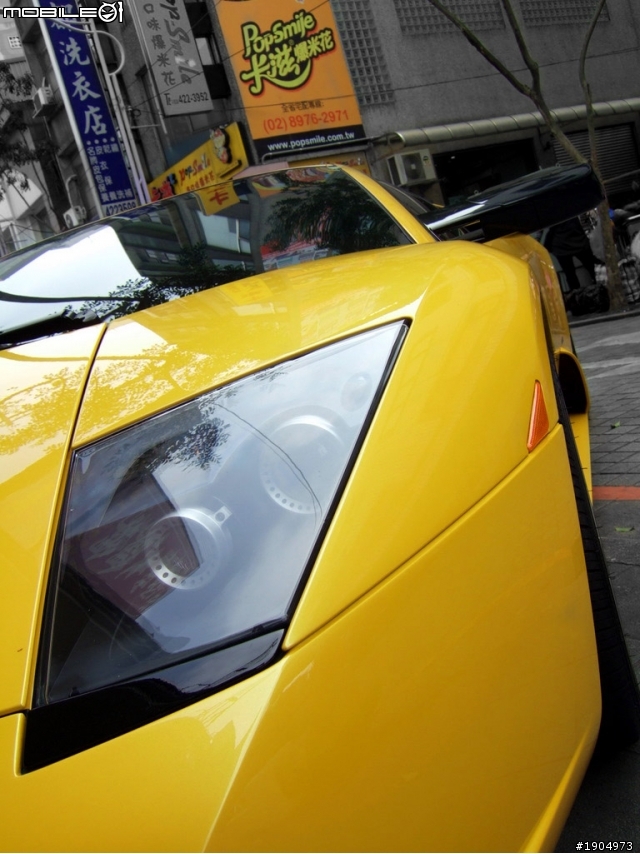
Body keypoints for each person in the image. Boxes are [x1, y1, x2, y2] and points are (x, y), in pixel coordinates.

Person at [544, 217, 601, 306]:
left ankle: (578, 302)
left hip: (560, 243)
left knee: (570, 275)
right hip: (576, 237)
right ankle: (599, 293)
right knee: (592, 268)